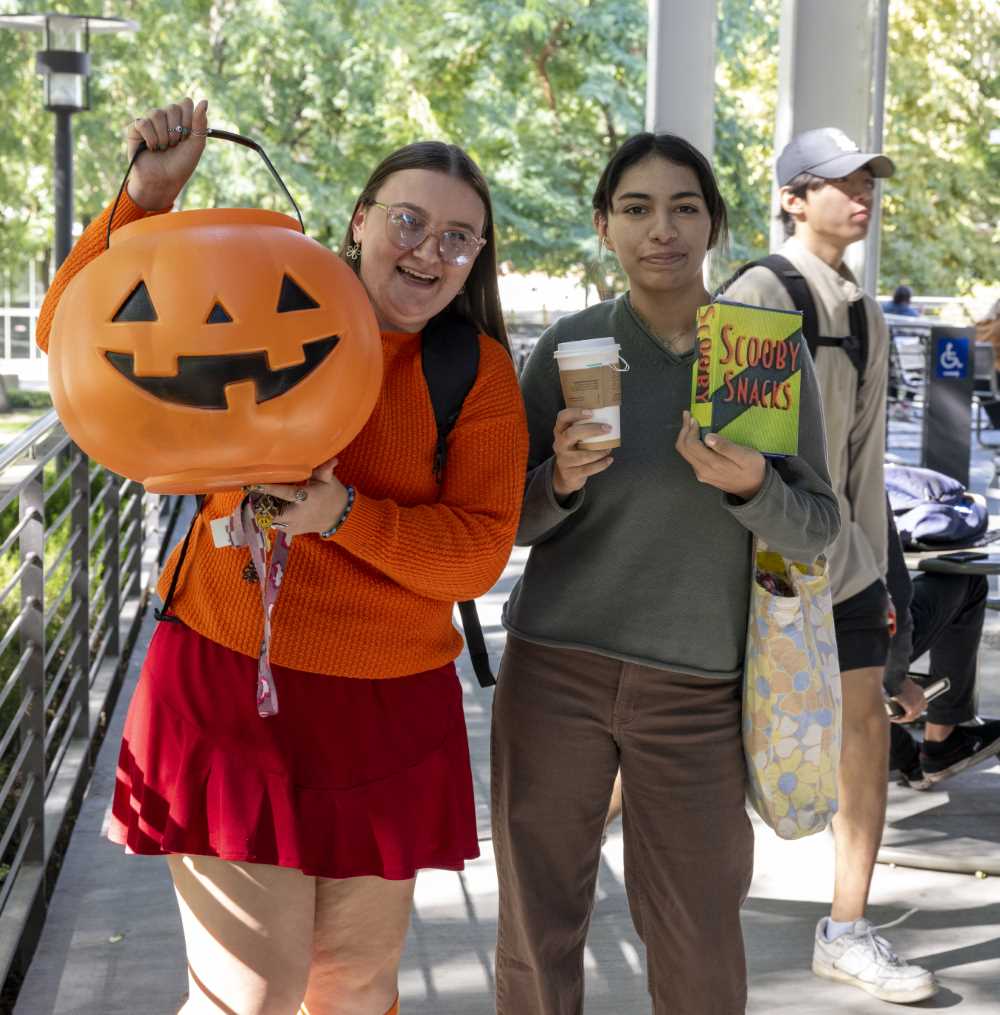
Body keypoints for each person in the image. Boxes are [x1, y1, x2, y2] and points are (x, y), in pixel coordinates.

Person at [36, 96, 528, 1015]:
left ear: (477, 259)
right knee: (248, 995)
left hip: (388, 705)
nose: (429, 251)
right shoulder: (266, 288)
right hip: (229, 678)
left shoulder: (477, 373)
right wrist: (145, 199)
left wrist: (346, 515)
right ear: (361, 221)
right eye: (410, 222)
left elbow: (473, 556)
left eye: (459, 239)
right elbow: (77, 337)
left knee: (354, 992)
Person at [491, 132, 839, 1015]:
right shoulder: (569, 348)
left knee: (697, 934)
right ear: (605, 226)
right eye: (637, 209)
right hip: (553, 672)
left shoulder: (762, 354)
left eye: (685, 207)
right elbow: (503, 525)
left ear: (715, 223)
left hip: (698, 687)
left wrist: (755, 485)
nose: (662, 229)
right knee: (538, 924)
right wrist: (559, 481)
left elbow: (819, 527)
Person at [721, 126, 937, 1003]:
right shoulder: (755, 296)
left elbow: (866, 466)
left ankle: (845, 928)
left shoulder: (870, 310)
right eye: (838, 180)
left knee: (864, 734)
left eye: (867, 180)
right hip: (755, 568)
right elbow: (732, 452)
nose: (861, 193)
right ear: (791, 197)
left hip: (842, 569)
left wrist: (889, 600)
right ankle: (588, 892)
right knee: (685, 746)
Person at [885, 510, 1000, 788]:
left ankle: (902, 754)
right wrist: (895, 679)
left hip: (787, 645)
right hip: (847, 643)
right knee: (965, 578)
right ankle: (942, 739)